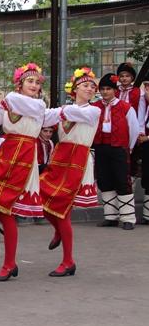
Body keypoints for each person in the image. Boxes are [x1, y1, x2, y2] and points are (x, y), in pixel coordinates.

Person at [0, 63, 46, 281]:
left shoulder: (38, 105)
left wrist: (6, 101)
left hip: (23, 157)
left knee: (6, 208)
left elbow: (16, 102)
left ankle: (9, 263)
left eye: (37, 82)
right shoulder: (11, 102)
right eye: (30, 81)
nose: (34, 85)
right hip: (5, 153)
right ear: (20, 83)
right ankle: (9, 258)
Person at [40, 68, 101, 277]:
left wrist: (57, 111)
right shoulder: (64, 110)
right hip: (60, 158)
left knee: (63, 210)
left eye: (93, 86)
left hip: (78, 161)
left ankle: (68, 261)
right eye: (85, 85)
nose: (90, 89)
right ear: (74, 89)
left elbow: (70, 113)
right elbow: (43, 117)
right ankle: (58, 230)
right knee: (40, 195)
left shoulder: (94, 111)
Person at [94, 73, 139, 230]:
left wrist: (129, 148)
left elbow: (134, 129)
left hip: (119, 148)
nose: (105, 92)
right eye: (103, 89)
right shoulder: (95, 107)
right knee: (104, 180)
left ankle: (128, 218)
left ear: (115, 90)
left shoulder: (125, 107)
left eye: (108, 89)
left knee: (122, 180)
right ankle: (111, 217)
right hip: (100, 147)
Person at [137, 79, 149, 224]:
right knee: (147, 176)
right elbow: (140, 119)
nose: (147, 89)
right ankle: (147, 216)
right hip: (145, 142)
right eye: (146, 86)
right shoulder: (143, 100)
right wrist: (140, 134)